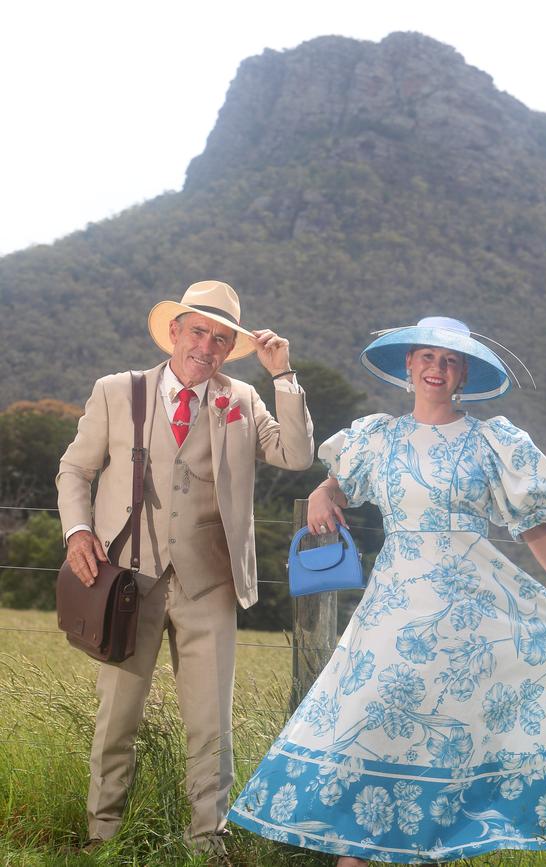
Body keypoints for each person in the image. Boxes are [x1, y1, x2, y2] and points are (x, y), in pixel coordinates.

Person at [228, 317, 546, 865]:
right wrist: (322, 489)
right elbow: (344, 480)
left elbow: (535, 524)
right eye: (428, 358)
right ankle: (352, 852)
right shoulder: (378, 436)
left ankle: (419, 847)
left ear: (463, 374)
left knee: (446, 736)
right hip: (396, 602)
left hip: (470, 609)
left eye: (449, 361)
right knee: (364, 717)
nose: (437, 368)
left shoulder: (492, 441)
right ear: (408, 365)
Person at [56, 280, 313, 864]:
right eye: (199, 331)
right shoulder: (118, 392)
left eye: (222, 339)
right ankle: (102, 835)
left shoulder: (243, 400)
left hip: (210, 584)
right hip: (127, 580)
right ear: (175, 331)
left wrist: (284, 377)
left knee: (210, 721)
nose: (208, 346)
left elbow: (297, 456)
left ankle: (208, 840)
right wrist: (77, 531)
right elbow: (74, 471)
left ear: (229, 349)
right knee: (117, 715)